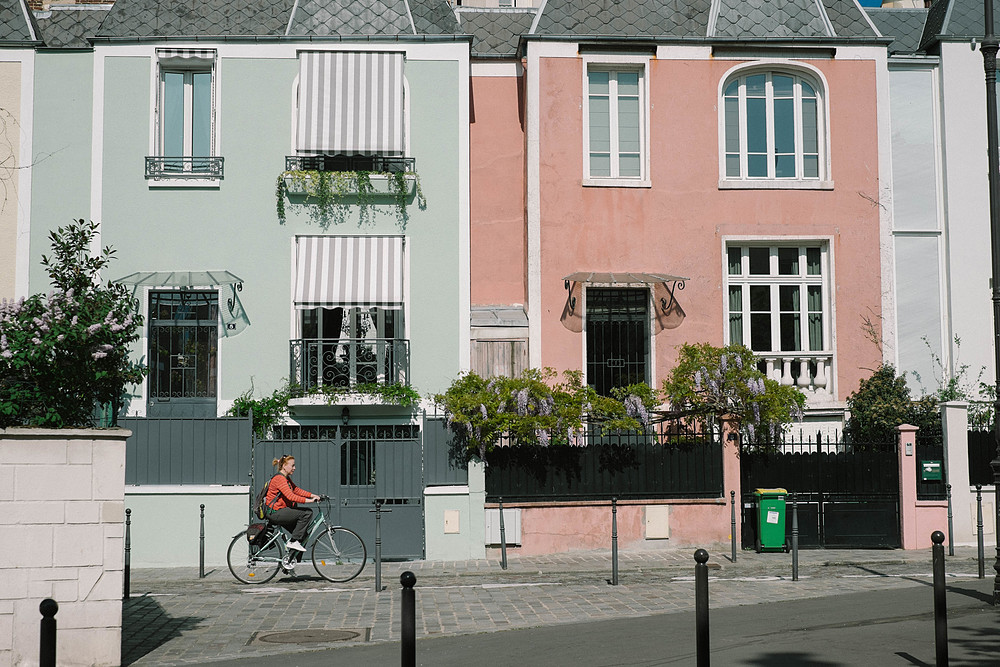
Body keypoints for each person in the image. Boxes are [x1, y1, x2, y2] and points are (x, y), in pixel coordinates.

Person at [263, 455, 320, 554]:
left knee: (303, 536)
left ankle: (289, 564)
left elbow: (296, 490)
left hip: (281, 511)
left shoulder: (286, 478)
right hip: (275, 512)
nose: (294, 468)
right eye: (292, 465)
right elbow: (291, 496)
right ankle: (293, 542)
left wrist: (313, 495)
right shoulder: (279, 479)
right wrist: (311, 501)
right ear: (284, 466)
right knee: (307, 513)